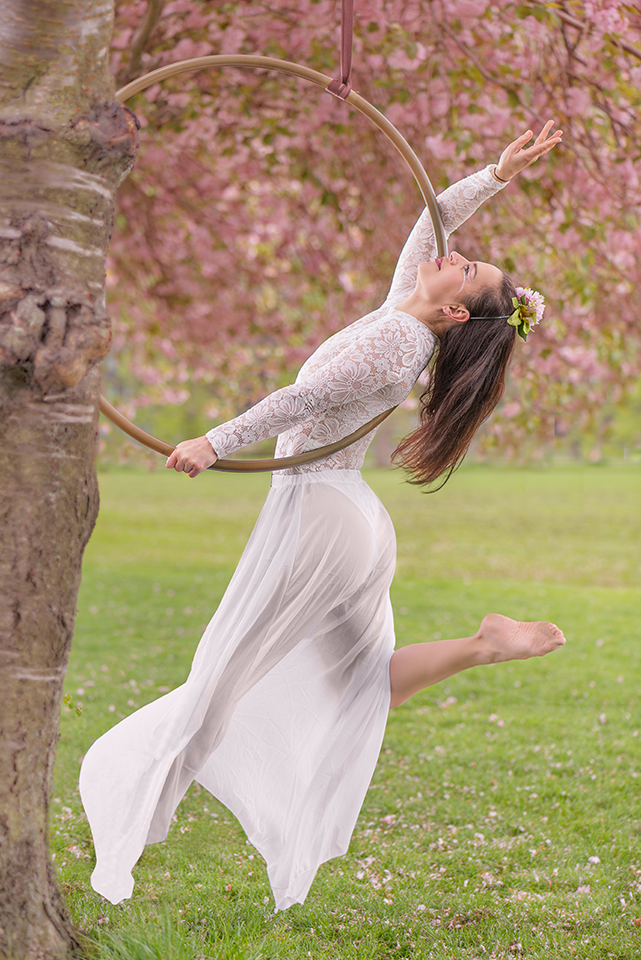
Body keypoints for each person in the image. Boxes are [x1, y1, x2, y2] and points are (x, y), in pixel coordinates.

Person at [80, 122, 566, 911]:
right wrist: (497, 173)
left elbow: (299, 400)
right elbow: (433, 218)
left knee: (227, 667)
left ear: (452, 313)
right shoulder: (407, 310)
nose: (454, 253)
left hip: (318, 518)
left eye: (467, 268)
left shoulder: (395, 340)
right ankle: (482, 645)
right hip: (350, 519)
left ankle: (143, 816)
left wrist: (214, 440)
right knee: (353, 683)